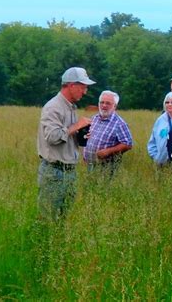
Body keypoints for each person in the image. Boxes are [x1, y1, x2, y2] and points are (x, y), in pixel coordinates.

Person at [37, 67, 95, 220]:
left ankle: (59, 242)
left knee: (65, 218)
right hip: (54, 172)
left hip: (69, 171)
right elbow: (52, 136)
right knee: (48, 217)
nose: (85, 92)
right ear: (71, 85)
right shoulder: (53, 107)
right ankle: (43, 243)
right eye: (83, 87)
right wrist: (76, 126)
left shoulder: (70, 107)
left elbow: (66, 134)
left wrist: (81, 134)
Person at [83, 90, 133, 176]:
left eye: (108, 103)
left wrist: (108, 151)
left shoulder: (119, 123)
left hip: (107, 168)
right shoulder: (94, 118)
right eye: (101, 102)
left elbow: (128, 144)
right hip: (89, 165)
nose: (104, 105)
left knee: (103, 188)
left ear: (115, 106)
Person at [147, 92, 172, 165]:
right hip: (160, 163)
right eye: (167, 102)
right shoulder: (160, 120)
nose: (169, 104)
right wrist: (156, 158)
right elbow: (152, 141)